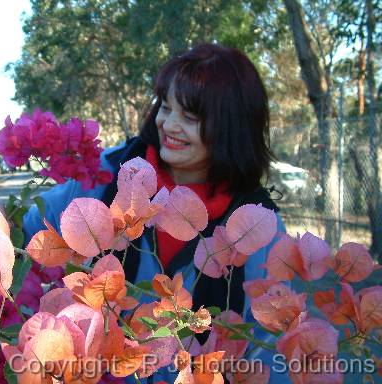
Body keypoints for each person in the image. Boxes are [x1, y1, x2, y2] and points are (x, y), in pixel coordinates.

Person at [23, 43, 288, 383]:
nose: (170, 124)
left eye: (190, 117)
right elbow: (28, 228)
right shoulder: (111, 174)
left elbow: (267, 345)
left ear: (231, 128)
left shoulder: (257, 222)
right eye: (166, 107)